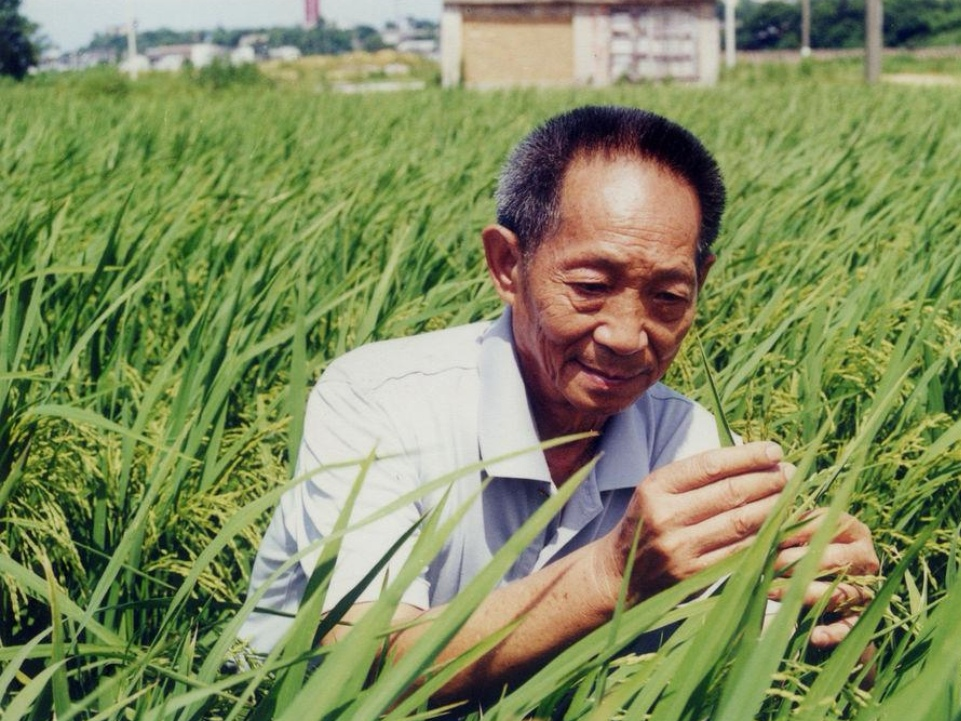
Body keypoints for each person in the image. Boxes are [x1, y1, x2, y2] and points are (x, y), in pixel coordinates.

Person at [239, 105, 878, 702]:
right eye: (591, 287)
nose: (627, 336)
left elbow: (750, 658)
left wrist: (835, 614)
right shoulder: (376, 401)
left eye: (668, 298)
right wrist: (612, 576)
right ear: (507, 264)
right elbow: (360, 660)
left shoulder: (684, 437)